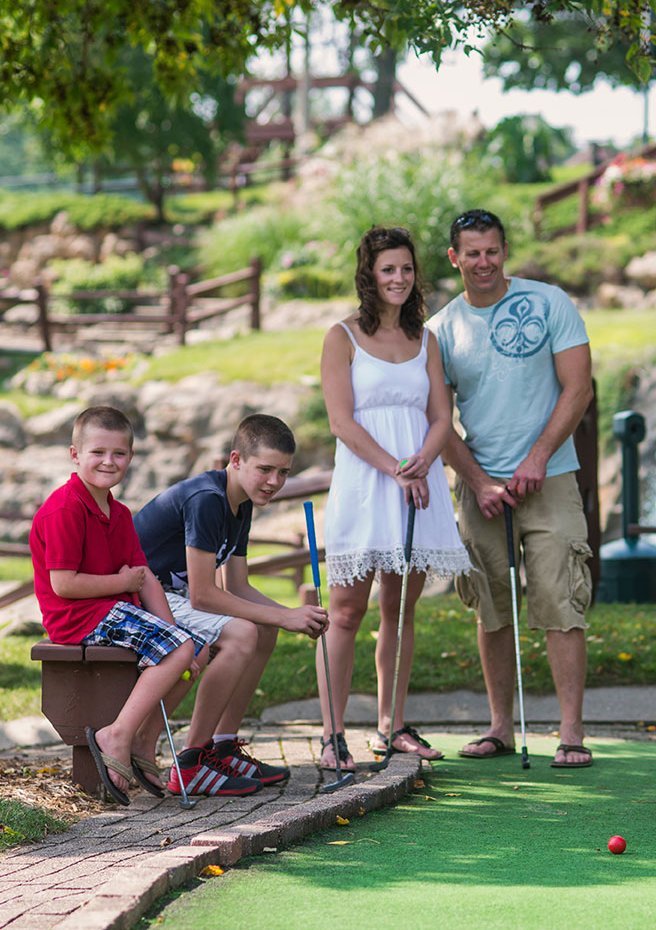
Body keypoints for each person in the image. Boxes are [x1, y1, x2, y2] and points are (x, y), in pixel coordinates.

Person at [429, 208, 596, 768]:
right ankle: (500, 727)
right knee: (491, 609)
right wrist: (477, 482)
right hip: (480, 491)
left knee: (561, 601)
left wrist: (537, 458)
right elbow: (438, 421)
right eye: (472, 253)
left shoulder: (549, 303)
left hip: (550, 481)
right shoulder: (441, 329)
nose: (484, 262)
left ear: (505, 251)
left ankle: (570, 733)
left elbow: (579, 388)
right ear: (454, 258)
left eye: (492, 251)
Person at [316, 226, 473, 771]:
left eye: (406, 268)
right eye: (388, 269)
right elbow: (341, 422)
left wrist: (423, 463)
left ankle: (393, 724)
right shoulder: (342, 336)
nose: (399, 278)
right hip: (366, 486)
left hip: (417, 488)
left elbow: (439, 417)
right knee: (345, 611)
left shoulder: (424, 340)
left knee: (400, 609)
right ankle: (333, 734)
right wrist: (396, 469)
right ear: (370, 274)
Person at [134, 414, 329, 796]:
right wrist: (284, 614)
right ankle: (191, 762)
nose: (274, 482)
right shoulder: (208, 500)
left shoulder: (241, 503)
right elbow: (204, 594)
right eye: (265, 469)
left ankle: (222, 747)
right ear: (236, 460)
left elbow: (237, 585)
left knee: (265, 628)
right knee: (242, 634)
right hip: (140, 601)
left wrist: (293, 616)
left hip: (174, 598)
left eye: (284, 473)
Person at [30, 406, 205, 805]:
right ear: (75, 454)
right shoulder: (65, 509)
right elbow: (64, 584)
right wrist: (122, 583)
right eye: (97, 452)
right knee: (180, 647)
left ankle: (144, 742)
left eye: (119, 454)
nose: (109, 461)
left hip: (113, 613)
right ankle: (117, 734)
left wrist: (178, 636)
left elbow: (147, 580)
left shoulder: (120, 513)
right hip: (78, 619)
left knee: (196, 646)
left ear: (130, 457)